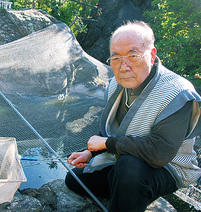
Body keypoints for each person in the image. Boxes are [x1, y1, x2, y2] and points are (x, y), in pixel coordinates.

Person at [65, 20, 201, 211]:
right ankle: (129, 195)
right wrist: (91, 152)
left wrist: (106, 145)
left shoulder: (177, 93)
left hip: (168, 167)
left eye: (133, 55)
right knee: (74, 180)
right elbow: (114, 129)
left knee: (129, 169)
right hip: (126, 158)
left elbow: (159, 153)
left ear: (152, 55)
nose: (124, 66)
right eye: (116, 58)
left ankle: (129, 192)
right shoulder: (115, 85)